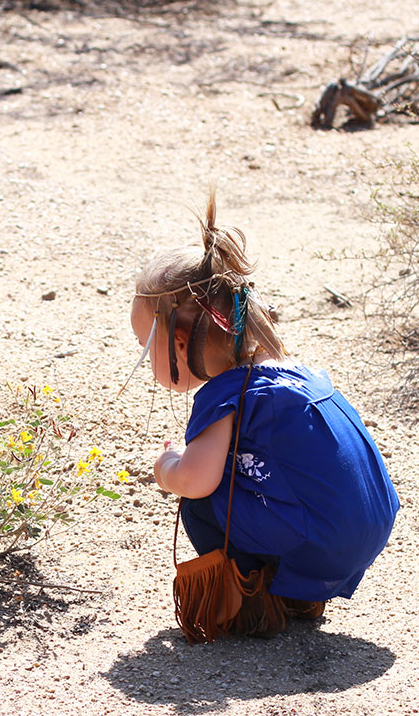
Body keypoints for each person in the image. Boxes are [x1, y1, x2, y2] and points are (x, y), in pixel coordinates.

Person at [129, 193, 400, 638]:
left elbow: (198, 479)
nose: (145, 359)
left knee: (200, 503)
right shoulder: (293, 375)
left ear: (179, 343)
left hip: (321, 539)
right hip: (367, 529)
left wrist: (168, 467)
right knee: (254, 482)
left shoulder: (225, 395)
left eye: (145, 348)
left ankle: (250, 604)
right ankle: (300, 593)